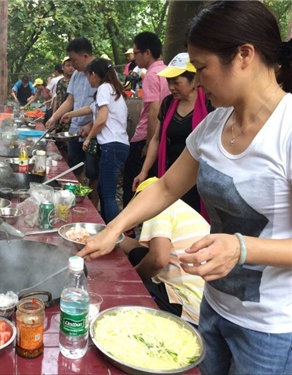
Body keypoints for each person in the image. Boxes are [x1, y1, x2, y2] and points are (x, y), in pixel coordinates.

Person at [79, 2, 292, 374]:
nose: (199, 79)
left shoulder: (286, 131)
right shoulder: (214, 126)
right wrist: (110, 230)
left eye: (203, 67)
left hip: (271, 330)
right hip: (213, 308)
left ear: (244, 55)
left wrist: (241, 247)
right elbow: (164, 188)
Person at [133, 52, 213, 215]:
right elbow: (157, 139)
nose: (171, 87)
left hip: (199, 180)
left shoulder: (210, 104)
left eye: (176, 82)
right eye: (169, 82)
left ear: (194, 80)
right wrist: (144, 171)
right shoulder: (168, 103)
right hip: (171, 175)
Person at [121, 177, 209, 325]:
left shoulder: (158, 208)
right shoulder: (179, 208)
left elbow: (158, 259)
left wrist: (132, 278)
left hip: (187, 305)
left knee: (123, 291)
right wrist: (107, 235)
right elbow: (136, 247)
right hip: (205, 302)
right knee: (139, 254)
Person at [61, 58, 129, 223]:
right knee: (103, 189)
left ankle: (112, 231)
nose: (87, 80)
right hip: (119, 146)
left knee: (108, 194)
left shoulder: (104, 88)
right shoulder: (113, 90)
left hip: (111, 146)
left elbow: (101, 118)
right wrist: (69, 114)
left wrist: (89, 138)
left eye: (88, 76)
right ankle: (106, 226)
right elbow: (90, 109)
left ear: (93, 74)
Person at [46, 37, 99, 206]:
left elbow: (104, 106)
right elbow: (70, 100)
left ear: (85, 56)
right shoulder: (76, 74)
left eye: (74, 60)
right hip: (75, 129)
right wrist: (54, 117)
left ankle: (93, 206)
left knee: (93, 173)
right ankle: (74, 201)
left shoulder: (100, 71)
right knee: (74, 168)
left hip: (94, 132)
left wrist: (91, 125)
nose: (73, 65)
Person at [122, 32, 170, 209]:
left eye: (136, 53)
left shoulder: (151, 75)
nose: (134, 57)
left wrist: (149, 144)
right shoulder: (167, 72)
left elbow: (154, 110)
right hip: (162, 136)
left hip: (145, 136)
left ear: (147, 52)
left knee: (132, 182)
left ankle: (127, 226)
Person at [53, 56, 75, 133]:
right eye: (68, 65)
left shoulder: (76, 82)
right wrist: (54, 116)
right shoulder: (60, 82)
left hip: (70, 118)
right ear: (63, 68)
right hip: (59, 117)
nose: (71, 68)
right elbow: (56, 99)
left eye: (73, 65)